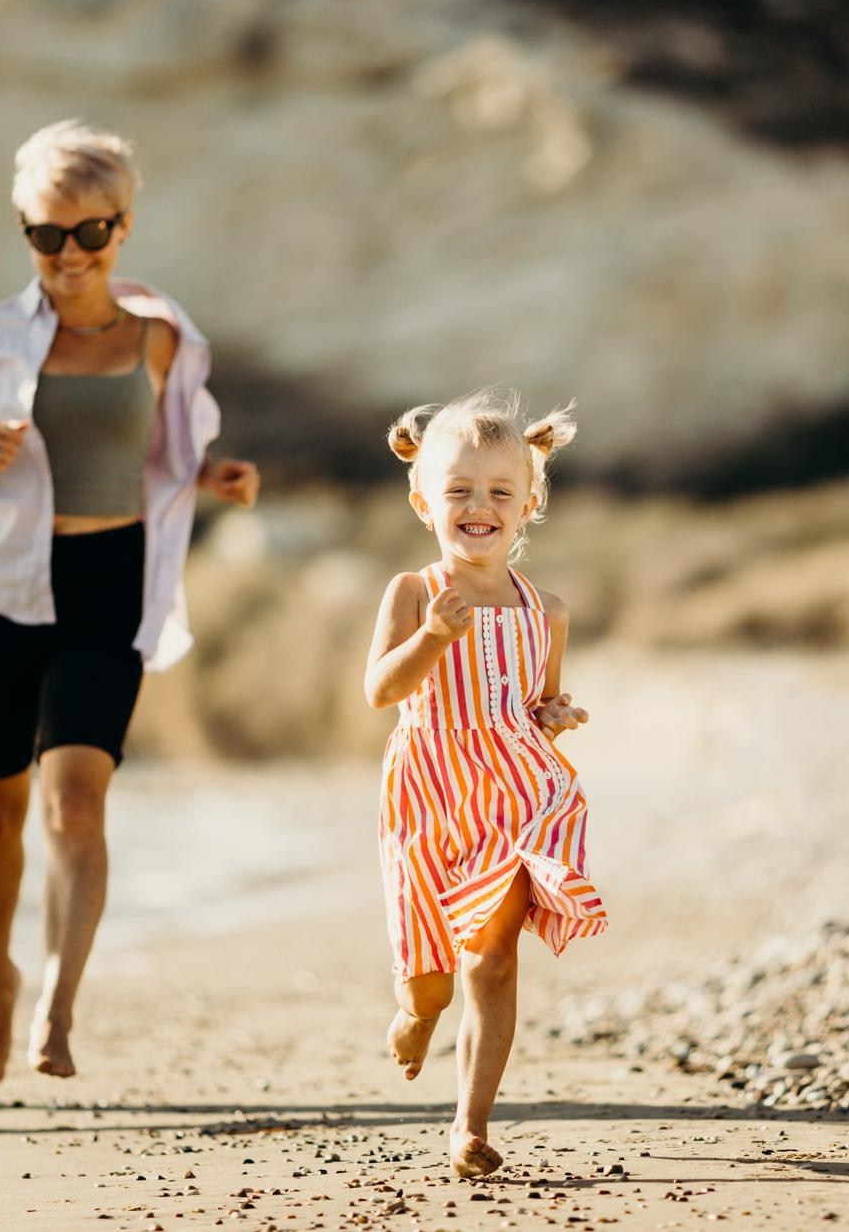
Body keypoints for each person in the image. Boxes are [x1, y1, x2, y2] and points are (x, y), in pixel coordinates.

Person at [0, 120, 259, 1083]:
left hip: (108, 590)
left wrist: (213, 473)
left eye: (90, 233)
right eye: (45, 234)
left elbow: (168, 453)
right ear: (24, 230)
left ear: (124, 228)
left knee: (75, 808)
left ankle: (57, 1013)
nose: (68, 255)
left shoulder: (161, 337)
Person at [363, 389, 608, 1178]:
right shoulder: (412, 592)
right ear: (422, 500)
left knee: (491, 957)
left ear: (529, 503)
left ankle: (469, 1124)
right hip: (428, 794)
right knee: (434, 981)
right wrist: (434, 634)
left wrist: (554, 713)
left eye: (500, 491)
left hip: (514, 795)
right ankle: (413, 1011)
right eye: (459, 490)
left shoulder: (549, 609)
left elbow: (535, 702)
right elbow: (381, 692)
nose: (479, 506)